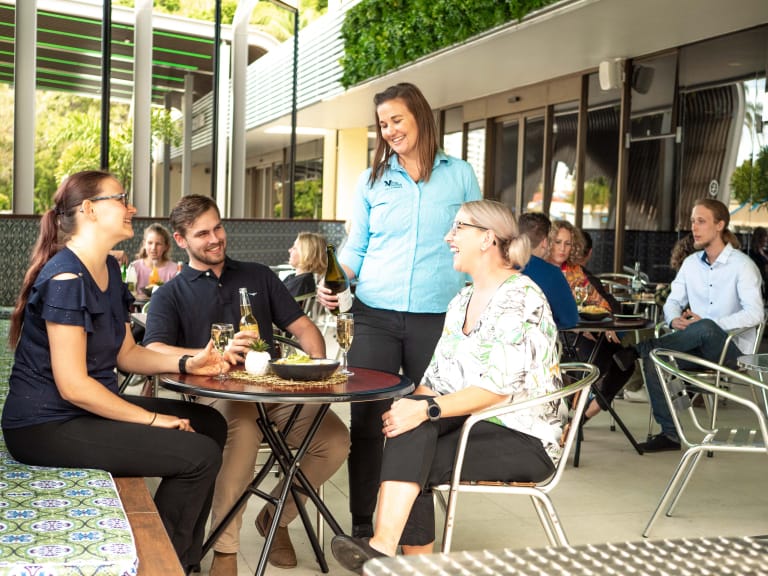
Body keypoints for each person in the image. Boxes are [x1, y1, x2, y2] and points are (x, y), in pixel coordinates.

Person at [0, 171, 229, 573]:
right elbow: (73, 387)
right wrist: (153, 419)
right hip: (45, 425)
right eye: (121, 198)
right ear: (89, 209)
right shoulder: (66, 277)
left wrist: (188, 361)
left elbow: (127, 354)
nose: (132, 207)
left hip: (84, 412)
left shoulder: (107, 267)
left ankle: (183, 560)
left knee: (210, 424)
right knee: (200, 455)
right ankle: (163, 565)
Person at [330, 200, 563, 573]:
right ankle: (388, 552)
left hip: (525, 437)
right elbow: (435, 381)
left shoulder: (522, 298)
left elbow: (496, 390)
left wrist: (424, 409)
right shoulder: (461, 301)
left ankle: (386, 550)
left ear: (487, 238)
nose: (447, 237)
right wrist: (407, 411)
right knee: (408, 430)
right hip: (475, 424)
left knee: (415, 452)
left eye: (458, 228)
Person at [142, 194, 350, 575]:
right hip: (215, 398)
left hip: (274, 391)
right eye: (202, 233)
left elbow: (304, 328)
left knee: (334, 440)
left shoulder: (258, 276)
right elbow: (153, 349)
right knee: (240, 429)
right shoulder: (170, 294)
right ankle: (225, 551)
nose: (215, 238)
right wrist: (205, 355)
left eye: (218, 227)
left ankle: (275, 516)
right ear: (181, 240)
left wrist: (317, 372)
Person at [316, 82, 482, 539]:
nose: (389, 130)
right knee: (368, 421)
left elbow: (477, 239)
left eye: (396, 120)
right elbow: (358, 245)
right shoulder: (371, 180)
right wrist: (336, 278)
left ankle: (410, 526)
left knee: (426, 417)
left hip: (439, 318)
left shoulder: (460, 174)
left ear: (420, 117)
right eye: (383, 123)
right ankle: (363, 524)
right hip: (375, 315)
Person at [613, 198, 764, 452]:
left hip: (730, 352)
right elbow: (673, 302)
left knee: (705, 327)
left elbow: (756, 313)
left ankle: (638, 349)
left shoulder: (743, 266)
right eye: (693, 221)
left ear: (719, 225)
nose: (694, 227)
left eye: (701, 221)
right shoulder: (691, 264)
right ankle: (670, 435)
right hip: (695, 348)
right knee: (655, 359)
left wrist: (711, 323)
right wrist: (673, 319)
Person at [547, 220, 635, 421]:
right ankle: (574, 409)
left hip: (586, 332)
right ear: (548, 242)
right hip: (560, 338)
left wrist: (608, 323)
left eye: (568, 243)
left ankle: (581, 417)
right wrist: (575, 326)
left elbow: (600, 302)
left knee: (625, 362)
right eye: (558, 242)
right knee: (600, 362)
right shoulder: (540, 270)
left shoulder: (575, 271)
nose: (562, 248)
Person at [519, 212, 579, 329]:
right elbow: (570, 319)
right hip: (535, 338)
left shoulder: (502, 266)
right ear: (545, 242)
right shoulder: (552, 274)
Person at [130, 222, 179, 294]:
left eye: (158, 244)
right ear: (144, 244)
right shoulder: (134, 268)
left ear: (166, 246)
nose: (153, 248)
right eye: (150, 243)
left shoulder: (175, 270)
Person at [283, 231, 327, 297]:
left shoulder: (303, 282)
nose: (289, 250)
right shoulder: (293, 277)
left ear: (307, 254)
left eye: (294, 248)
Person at [748, 226, 768, 296]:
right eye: (765, 236)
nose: (767, 238)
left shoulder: (764, 251)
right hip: (757, 282)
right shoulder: (751, 253)